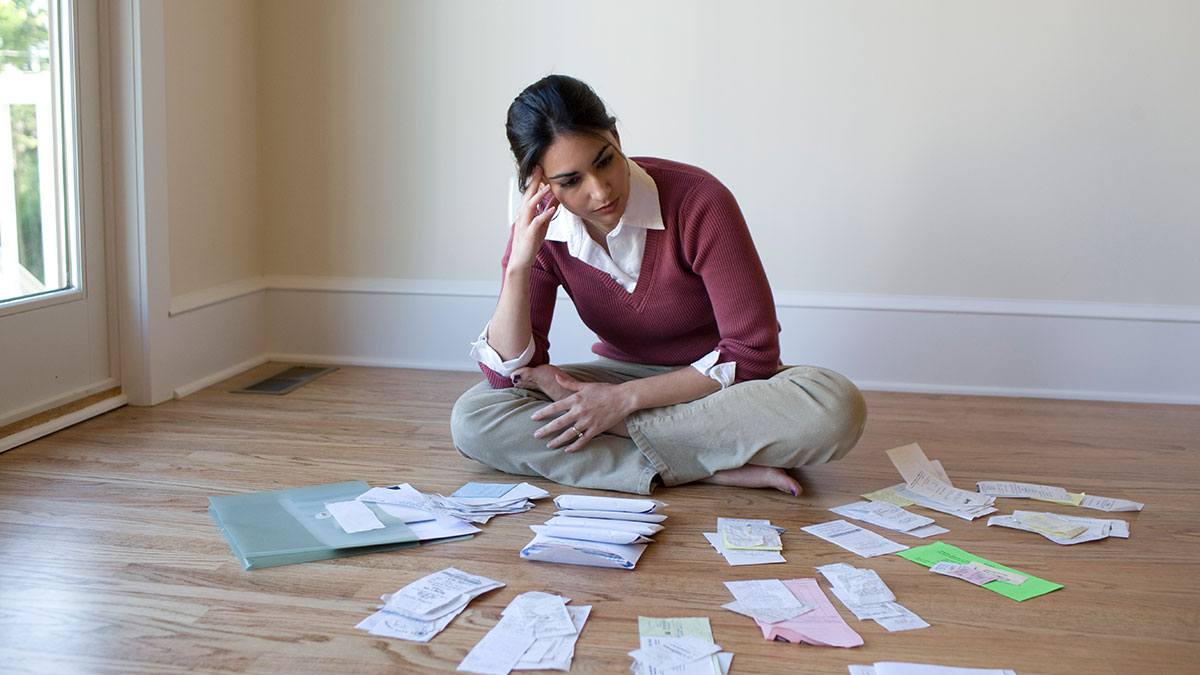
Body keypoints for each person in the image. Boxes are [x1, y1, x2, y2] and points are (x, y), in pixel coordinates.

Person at [450, 74, 866, 496]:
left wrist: (622, 403)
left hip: (717, 387)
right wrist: (519, 265)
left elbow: (752, 356)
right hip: (617, 376)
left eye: (604, 160)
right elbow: (509, 376)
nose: (600, 190)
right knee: (475, 417)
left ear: (615, 135)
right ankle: (703, 466)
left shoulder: (699, 200)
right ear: (540, 183)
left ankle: (639, 446)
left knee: (832, 408)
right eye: (571, 181)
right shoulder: (541, 231)